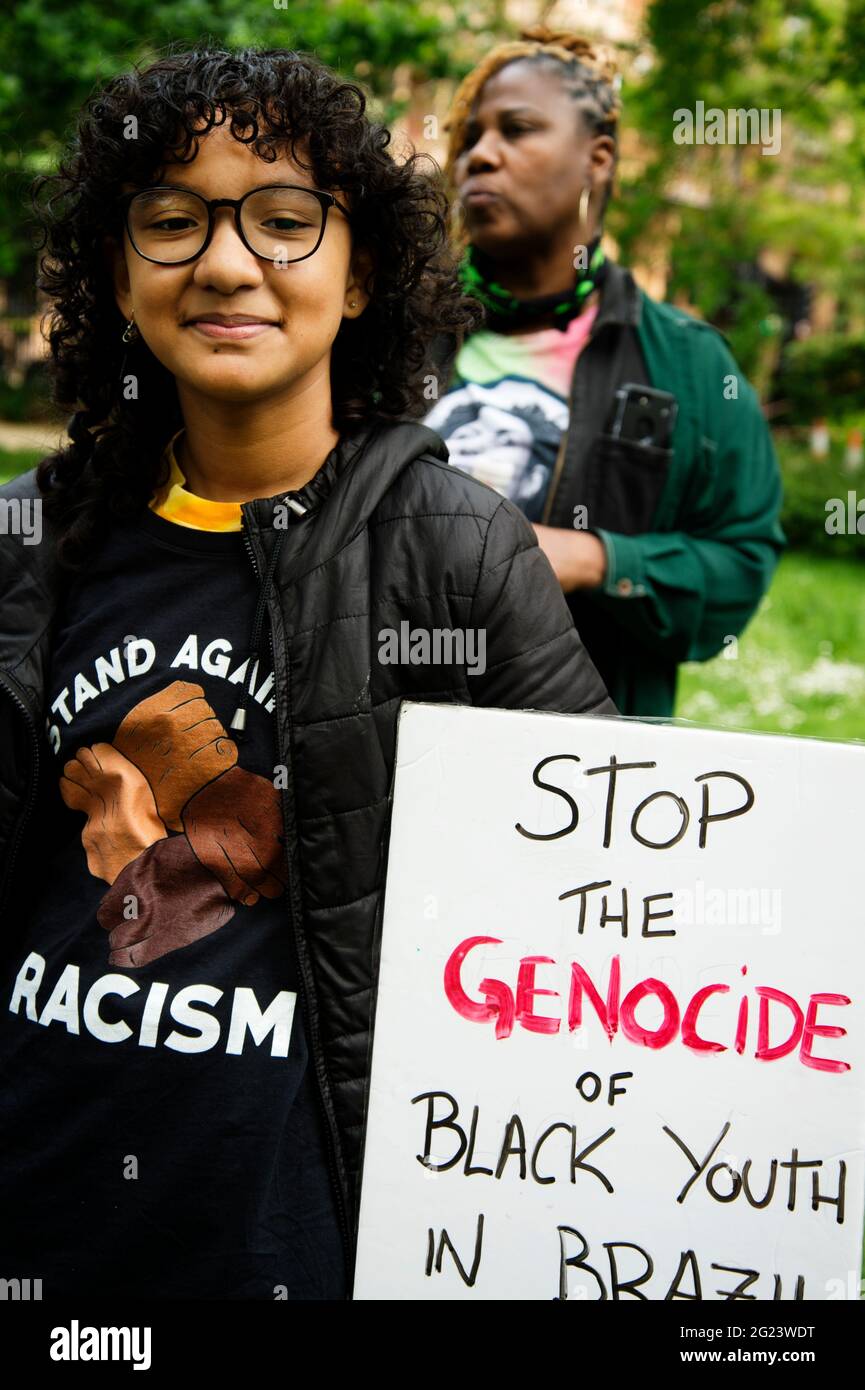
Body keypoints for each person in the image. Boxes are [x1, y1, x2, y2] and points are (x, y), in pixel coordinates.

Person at [0, 45, 615, 1302]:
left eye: (284, 220)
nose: (227, 263)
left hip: (291, 1238)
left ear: (363, 265)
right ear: (120, 271)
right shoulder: (32, 536)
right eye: (170, 222)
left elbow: (604, 902)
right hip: (41, 1222)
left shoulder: (454, 549)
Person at [425, 26, 786, 716]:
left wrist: (595, 560)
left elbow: (739, 566)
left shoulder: (688, 362)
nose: (480, 155)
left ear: (595, 160)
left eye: (517, 130)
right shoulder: (395, 331)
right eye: (470, 136)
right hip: (379, 757)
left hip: (579, 779)